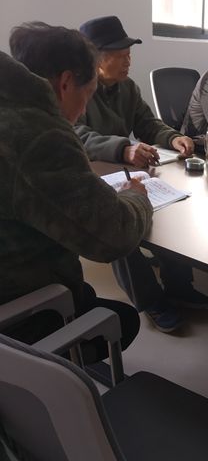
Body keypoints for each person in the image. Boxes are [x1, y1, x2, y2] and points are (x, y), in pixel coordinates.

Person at [1, 22, 153, 361]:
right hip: (23, 308)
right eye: (86, 95)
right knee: (124, 319)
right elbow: (114, 236)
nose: (83, 109)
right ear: (66, 82)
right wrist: (137, 198)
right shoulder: (41, 136)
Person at [77, 15, 208, 333]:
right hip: (90, 178)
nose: (128, 61)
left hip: (123, 173)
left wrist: (173, 137)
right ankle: (151, 301)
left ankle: (179, 285)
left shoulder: (127, 87)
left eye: (129, 54)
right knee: (117, 227)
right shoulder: (80, 90)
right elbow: (77, 135)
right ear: (95, 58)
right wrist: (124, 148)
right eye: (120, 55)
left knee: (175, 206)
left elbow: (147, 123)